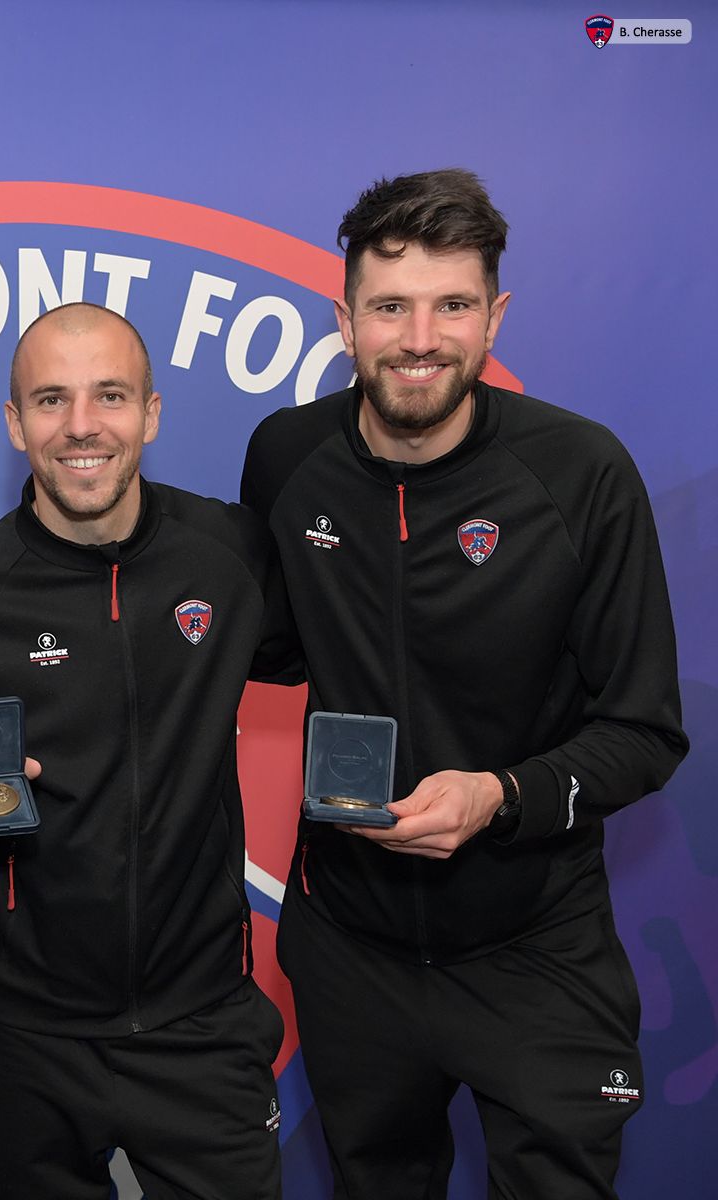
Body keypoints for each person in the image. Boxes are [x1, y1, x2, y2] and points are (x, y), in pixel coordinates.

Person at [240, 168, 688, 1199]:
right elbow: (253, 635)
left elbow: (644, 732)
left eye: (452, 305)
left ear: (495, 317)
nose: (419, 338)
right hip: (350, 944)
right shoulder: (286, 457)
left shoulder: (580, 474)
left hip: (534, 945)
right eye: (389, 306)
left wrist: (500, 796)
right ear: (343, 319)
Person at [0, 302, 295, 1198]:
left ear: (152, 413)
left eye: (110, 396)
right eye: (51, 400)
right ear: (16, 425)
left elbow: (374, 638)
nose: (82, 426)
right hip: (26, 1035)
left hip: (202, 1023)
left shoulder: (232, 554)